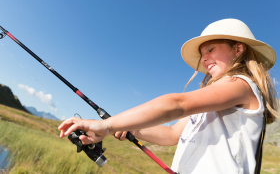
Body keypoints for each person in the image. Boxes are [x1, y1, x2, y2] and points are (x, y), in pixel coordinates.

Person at [58, 19, 279, 174]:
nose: (204, 58)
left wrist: (105, 125)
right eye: (202, 54)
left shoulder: (241, 84)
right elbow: (173, 134)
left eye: (210, 49)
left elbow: (178, 105)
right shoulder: (215, 97)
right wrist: (131, 129)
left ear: (238, 49)